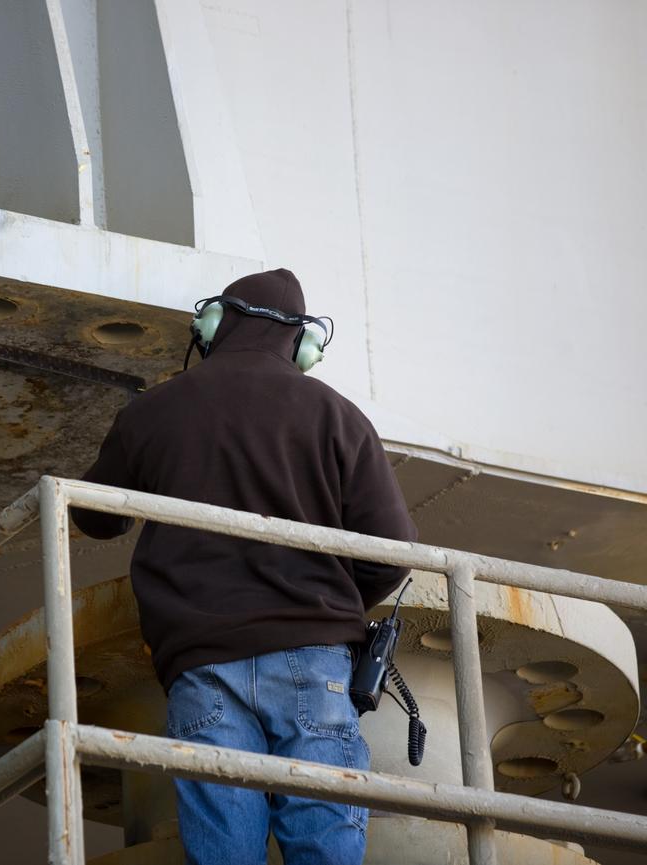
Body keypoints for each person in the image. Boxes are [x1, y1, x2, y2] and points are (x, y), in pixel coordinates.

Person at [71, 268, 417, 865]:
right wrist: (327, 603)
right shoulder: (337, 415)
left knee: (225, 850)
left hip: (202, 660)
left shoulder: (153, 410)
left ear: (214, 323)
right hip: (313, 654)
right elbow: (393, 546)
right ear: (303, 344)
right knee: (323, 844)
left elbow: (97, 516)